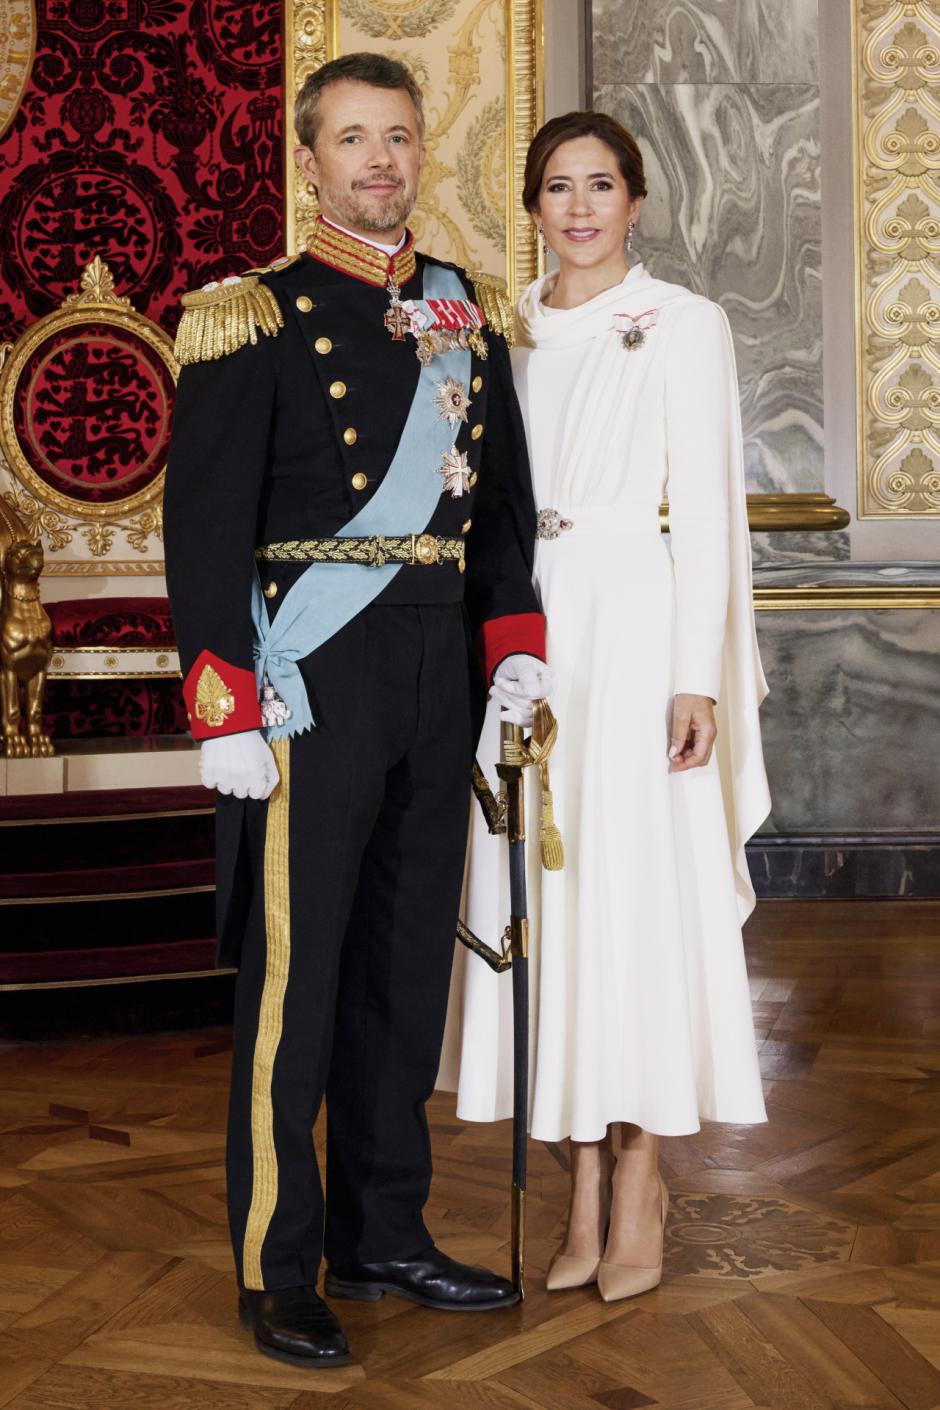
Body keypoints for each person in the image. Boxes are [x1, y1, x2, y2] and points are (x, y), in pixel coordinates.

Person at [163, 52, 552, 1370]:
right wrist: (221, 706)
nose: (380, 159)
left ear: (422, 151)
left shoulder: (463, 317)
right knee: (299, 980)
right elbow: (205, 531)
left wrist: (511, 647)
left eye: (399, 136)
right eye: (353, 139)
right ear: (309, 161)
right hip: (308, 683)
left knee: (400, 973)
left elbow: (498, 510)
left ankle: (385, 1230)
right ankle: (281, 1262)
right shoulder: (249, 320)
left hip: (437, 675)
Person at [439, 110, 771, 1303]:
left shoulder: (683, 326)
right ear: (529, 206)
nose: (576, 208)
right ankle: (574, 1174)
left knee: (629, 896)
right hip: (530, 633)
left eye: (600, 186)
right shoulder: (499, 332)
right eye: (554, 188)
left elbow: (711, 518)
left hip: (635, 626)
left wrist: (696, 672)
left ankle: (640, 1175)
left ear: (636, 200)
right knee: (548, 904)